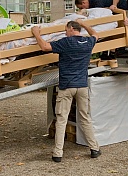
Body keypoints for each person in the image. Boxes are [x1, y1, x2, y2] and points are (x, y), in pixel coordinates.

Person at [31, 20, 101, 162]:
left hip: (66, 87)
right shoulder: (88, 42)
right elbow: (95, 34)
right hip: (82, 86)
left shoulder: (66, 42)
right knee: (85, 118)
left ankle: (58, 154)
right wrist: (84, 24)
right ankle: (94, 149)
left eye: (65, 29)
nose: (64, 32)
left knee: (62, 119)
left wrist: (36, 33)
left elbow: (44, 47)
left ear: (70, 29)